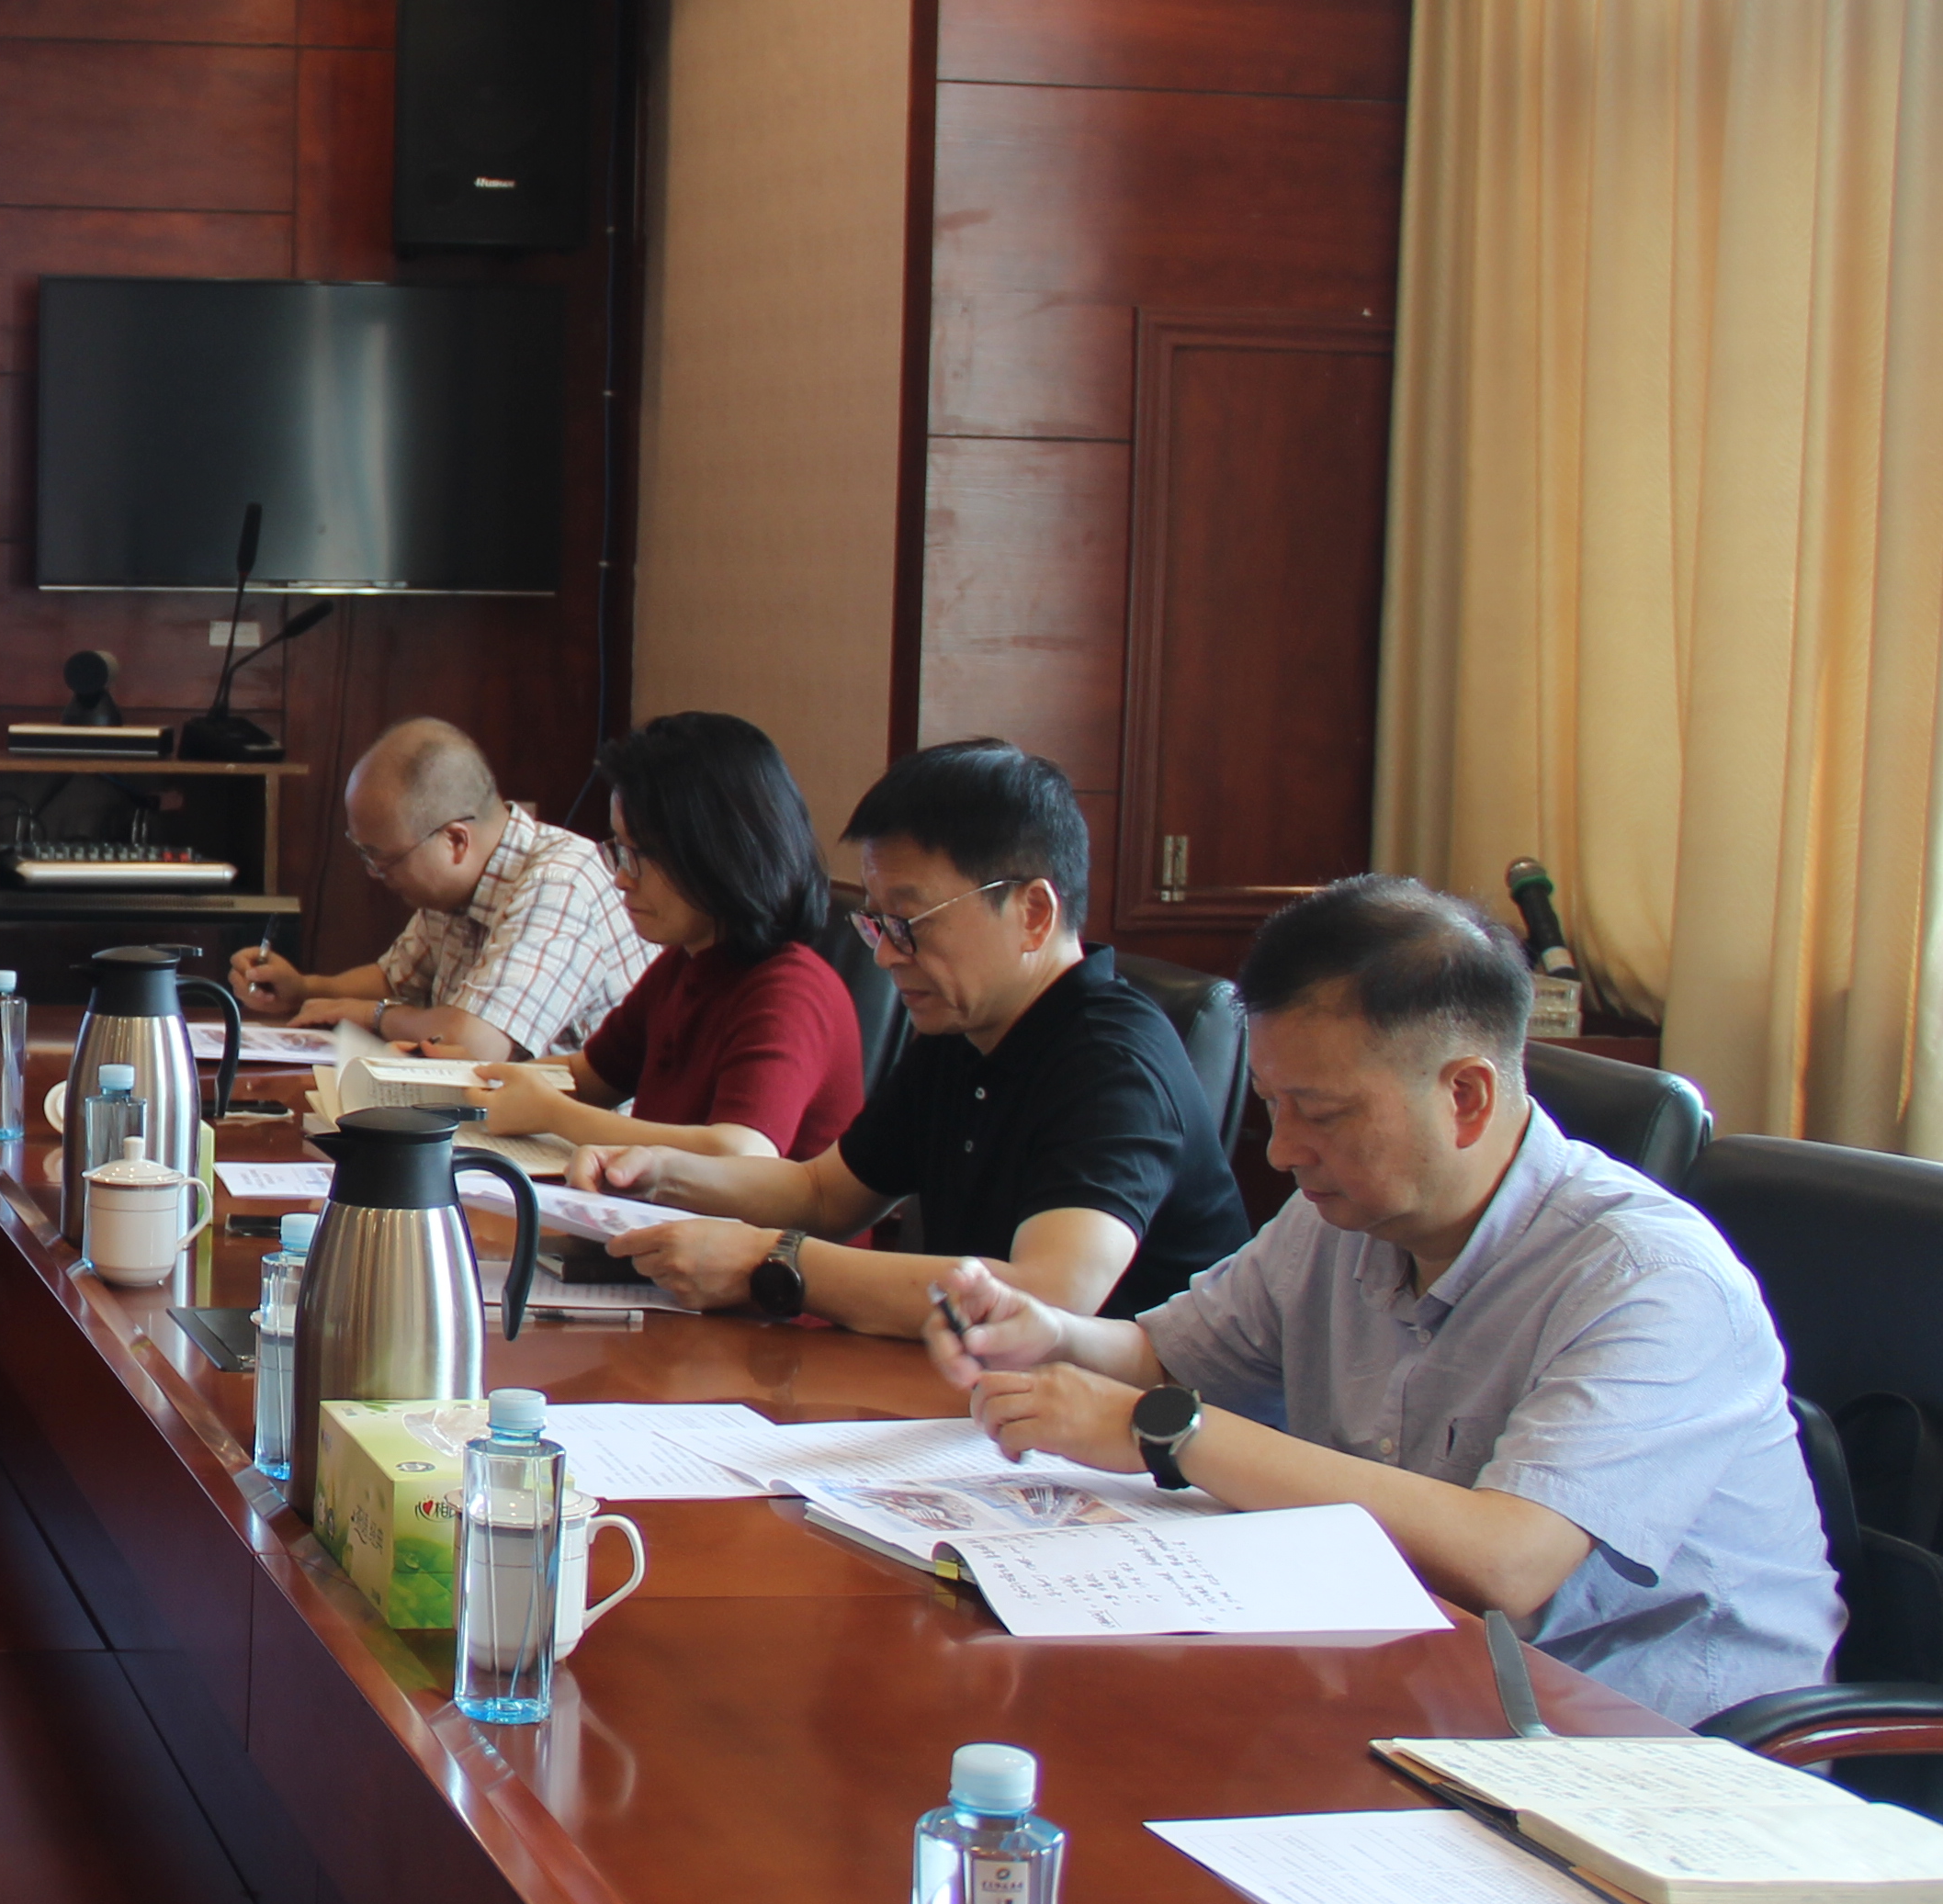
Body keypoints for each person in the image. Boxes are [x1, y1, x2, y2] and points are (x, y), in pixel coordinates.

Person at [932, 876, 1835, 1723]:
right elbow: (1171, 1358)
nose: (1282, 1149)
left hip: (1648, 1757)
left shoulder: (1650, 1278)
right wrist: (1053, 1335)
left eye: (1321, 1113)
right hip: (1419, 1691)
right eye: (1272, 1104)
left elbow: (1510, 1562)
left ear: (1466, 1096)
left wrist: (1165, 1433)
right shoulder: (1343, 1214)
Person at [591, 738, 1248, 1333]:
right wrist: (658, 1174)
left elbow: (1048, 1295)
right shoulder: (962, 1031)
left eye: (909, 923)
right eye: (876, 924)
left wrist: (774, 1262)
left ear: (1033, 913)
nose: (885, 955)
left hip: (1122, 1420)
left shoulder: (1114, 1062)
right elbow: (824, 1195)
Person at [477, 711, 864, 1161]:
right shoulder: (685, 964)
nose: (622, 878)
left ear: (719, 852)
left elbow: (740, 1152)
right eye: (619, 850)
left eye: (640, 855)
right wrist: (461, 1083)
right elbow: (588, 1077)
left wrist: (553, 1115)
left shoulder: (790, 991)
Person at [221, 719, 643, 1062]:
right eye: (364, 853)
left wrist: (373, 1016)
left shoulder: (559, 883)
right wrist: (304, 989)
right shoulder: (458, 886)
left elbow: (473, 1043)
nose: (373, 873)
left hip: (580, 1137)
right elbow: (394, 981)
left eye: (382, 858)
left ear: (455, 841)